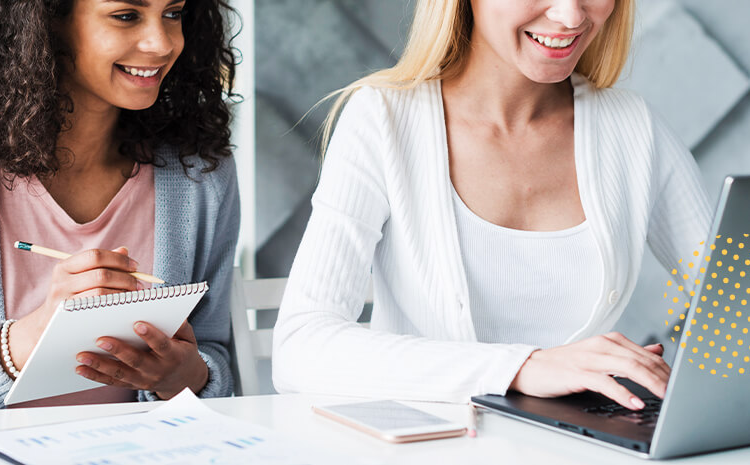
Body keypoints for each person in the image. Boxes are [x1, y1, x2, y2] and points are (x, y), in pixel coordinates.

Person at [272, 0, 712, 410]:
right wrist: (521, 367)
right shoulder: (384, 121)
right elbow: (301, 349)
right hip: (431, 448)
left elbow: (737, 304)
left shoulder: (634, 129)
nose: (570, 15)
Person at [0, 0, 239, 410]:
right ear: (49, 19)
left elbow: (214, 350)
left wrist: (186, 376)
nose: (161, 43)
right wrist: (26, 341)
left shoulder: (200, 169)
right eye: (126, 15)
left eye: (173, 13)